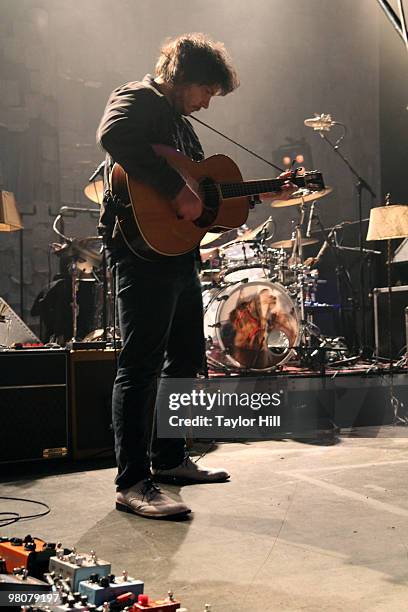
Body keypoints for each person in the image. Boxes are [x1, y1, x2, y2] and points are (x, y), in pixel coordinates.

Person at [97, 33, 294, 520]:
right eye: (206, 90)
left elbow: (204, 200)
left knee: (184, 359)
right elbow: (114, 137)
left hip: (178, 253)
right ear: (181, 77)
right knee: (140, 364)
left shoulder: (183, 129)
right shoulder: (137, 97)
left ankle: (168, 462)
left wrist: (258, 195)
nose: (208, 102)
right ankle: (132, 483)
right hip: (141, 252)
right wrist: (173, 188)